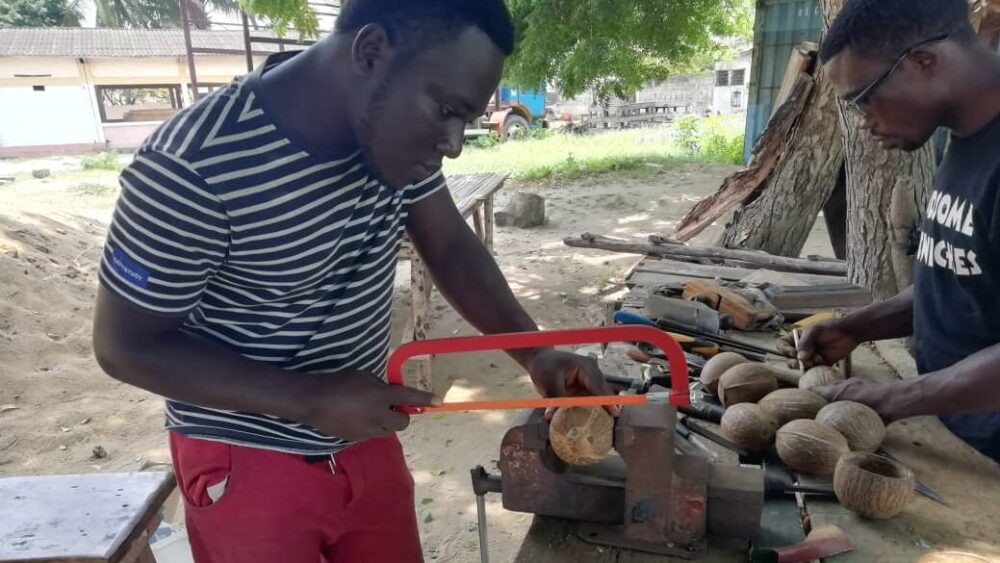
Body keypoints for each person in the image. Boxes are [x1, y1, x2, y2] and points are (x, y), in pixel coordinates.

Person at [91, 1, 618, 561]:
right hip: (244, 456)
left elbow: (447, 244)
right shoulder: (190, 166)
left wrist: (535, 352)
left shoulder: (392, 138)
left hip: (360, 431)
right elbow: (124, 347)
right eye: (446, 111)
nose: (454, 143)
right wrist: (309, 399)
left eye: (465, 120)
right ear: (370, 52)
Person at [779, 0, 1000, 462]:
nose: (865, 123)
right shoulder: (964, 134)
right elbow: (959, 279)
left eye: (864, 98)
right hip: (951, 428)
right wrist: (858, 326)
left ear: (923, 61)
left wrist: (895, 398)